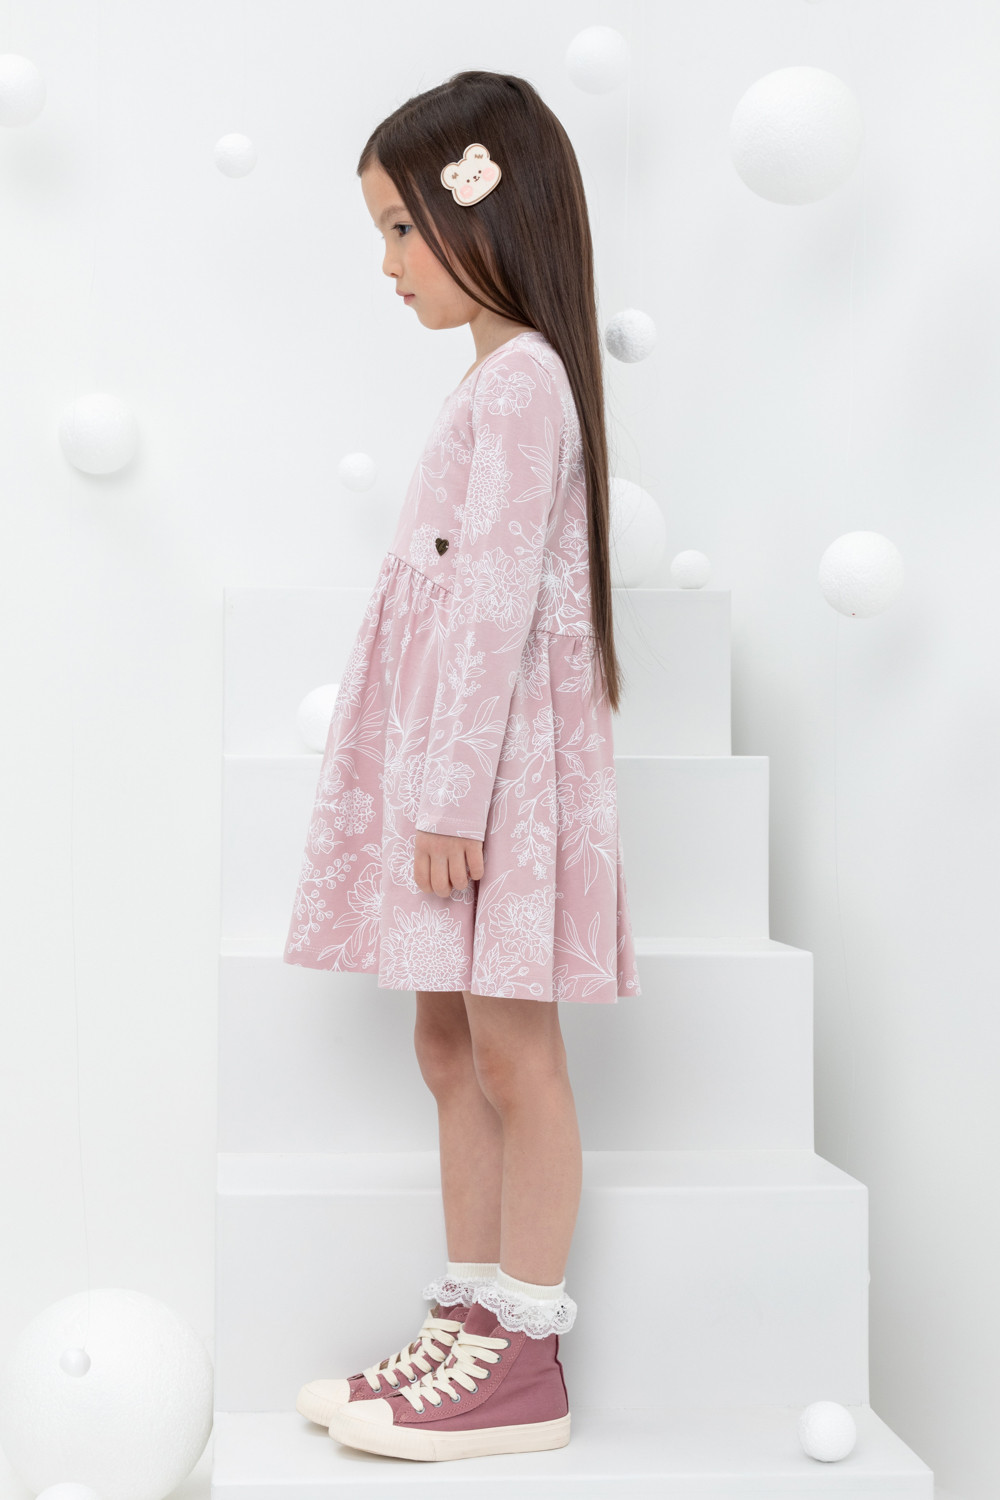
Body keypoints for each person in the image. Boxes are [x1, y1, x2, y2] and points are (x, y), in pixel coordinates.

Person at [287, 70, 641, 1463]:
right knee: (445, 1043)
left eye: (399, 230)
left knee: (509, 1046)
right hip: (451, 762)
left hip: (484, 780)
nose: (388, 265)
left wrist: (447, 798)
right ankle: (473, 1315)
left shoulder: (529, 380)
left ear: (482, 211)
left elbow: (494, 601)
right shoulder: (491, 380)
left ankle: (526, 1357)